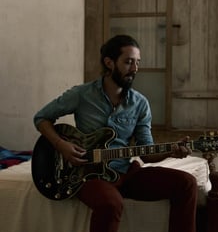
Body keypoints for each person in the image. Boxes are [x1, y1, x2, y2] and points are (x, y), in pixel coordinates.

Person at [33, 34, 197, 232]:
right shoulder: (82, 94)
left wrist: (171, 151)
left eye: (137, 63)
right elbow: (41, 118)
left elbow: (146, 152)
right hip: (87, 174)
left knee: (186, 183)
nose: (135, 69)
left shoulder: (140, 103)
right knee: (111, 204)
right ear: (109, 63)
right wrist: (61, 145)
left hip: (125, 172)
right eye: (128, 62)